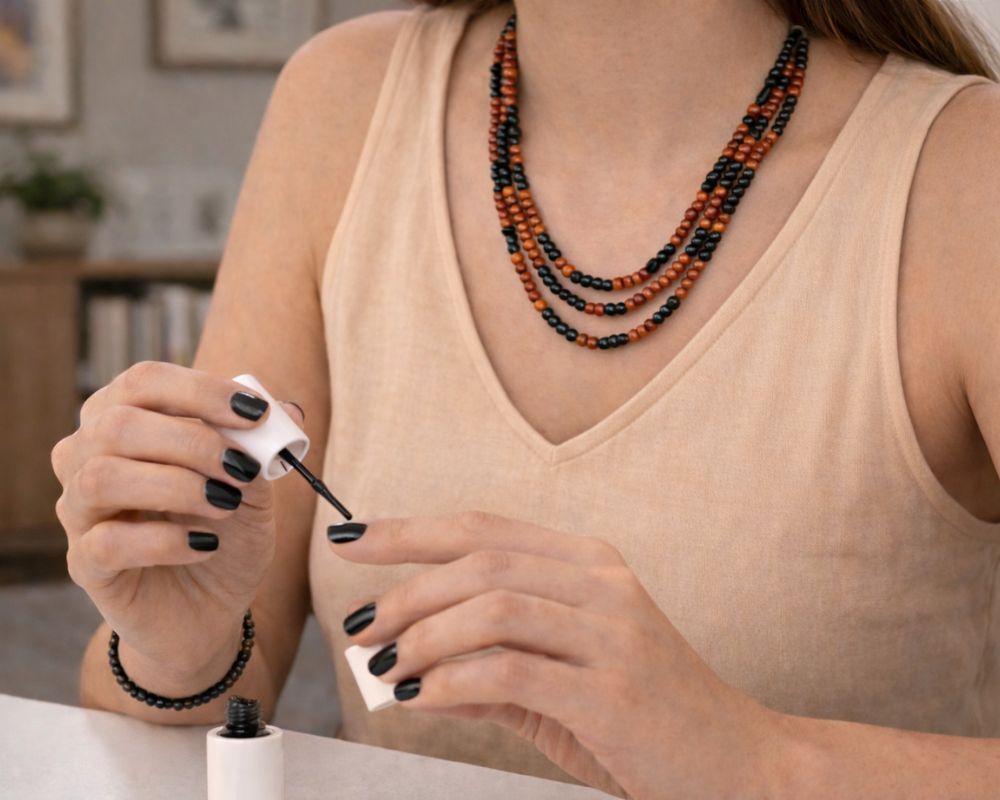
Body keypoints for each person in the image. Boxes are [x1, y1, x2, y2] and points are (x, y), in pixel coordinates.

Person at [51, 0, 1000, 796]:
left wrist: (759, 760)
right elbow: (190, 706)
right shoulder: (341, 101)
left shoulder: (970, 177)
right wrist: (180, 651)